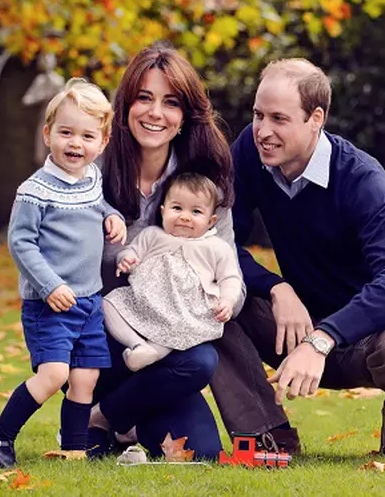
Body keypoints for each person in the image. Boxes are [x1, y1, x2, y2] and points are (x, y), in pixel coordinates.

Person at [210, 58, 385, 457]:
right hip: (295, 325)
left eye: (279, 119)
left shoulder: (362, 179)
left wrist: (322, 339)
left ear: (316, 118)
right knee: (210, 295)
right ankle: (268, 435)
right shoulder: (249, 150)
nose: (263, 131)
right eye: (258, 115)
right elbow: (218, 243)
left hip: (370, 337)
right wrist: (276, 287)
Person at [84, 42, 243, 460]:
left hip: (170, 347)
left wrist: (219, 301)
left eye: (170, 103)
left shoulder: (205, 183)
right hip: (99, 338)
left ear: (184, 116)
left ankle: (104, 418)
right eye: (144, 98)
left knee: (202, 445)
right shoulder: (91, 172)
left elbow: (229, 269)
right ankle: (110, 414)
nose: (155, 113)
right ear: (124, 105)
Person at [0, 78, 127, 468]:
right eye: (66, 133)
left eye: (87, 136)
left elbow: (98, 205)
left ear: (103, 141)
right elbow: (21, 243)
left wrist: (112, 216)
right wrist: (50, 285)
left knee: (85, 379)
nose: (75, 143)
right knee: (55, 373)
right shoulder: (34, 190)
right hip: (50, 304)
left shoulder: (91, 178)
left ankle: (74, 449)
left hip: (89, 301)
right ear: (48, 134)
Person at [104, 172, 243, 371]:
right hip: (144, 302)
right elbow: (132, 252)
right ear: (163, 211)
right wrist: (126, 260)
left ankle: (152, 352)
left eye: (196, 212)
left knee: (177, 330)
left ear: (211, 221)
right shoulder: (153, 235)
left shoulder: (216, 247)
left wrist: (227, 301)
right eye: (177, 208)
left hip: (185, 310)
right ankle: (138, 345)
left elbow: (230, 277)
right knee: (108, 304)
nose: (184, 217)